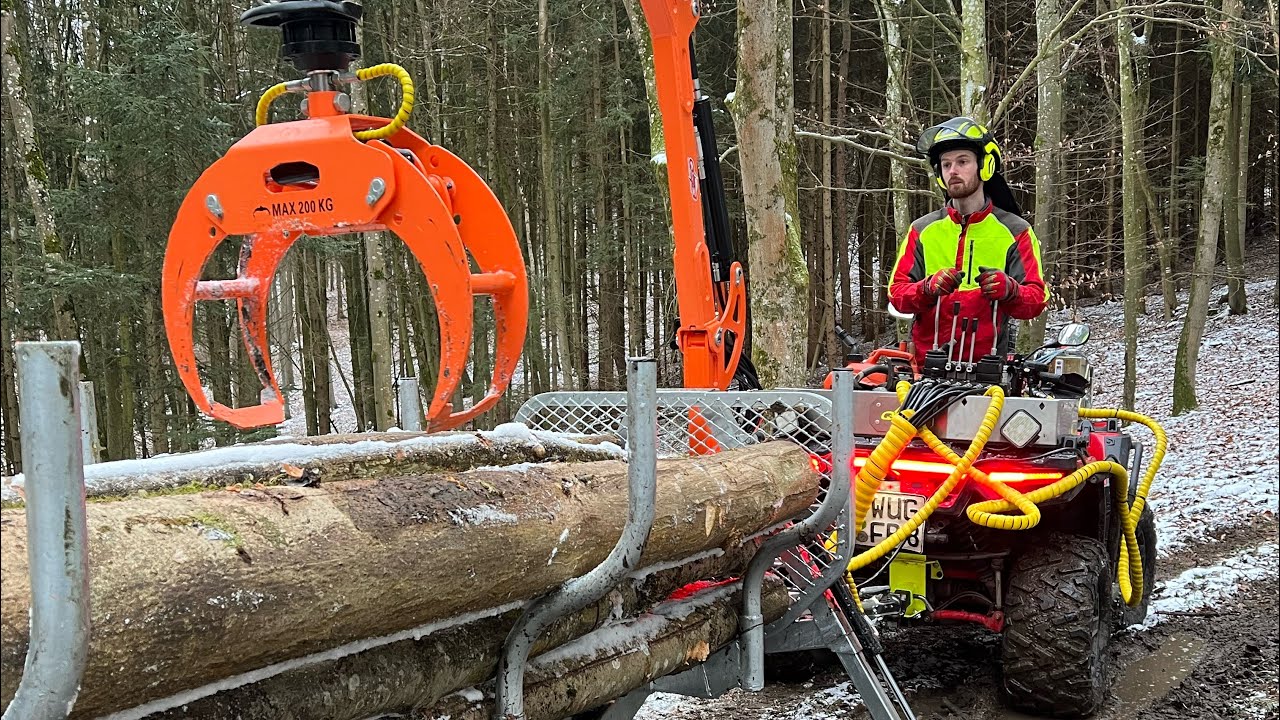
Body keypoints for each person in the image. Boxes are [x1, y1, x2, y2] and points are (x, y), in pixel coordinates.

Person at [888, 116, 1049, 367]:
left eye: (962, 162)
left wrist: (1010, 290)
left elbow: (1037, 299)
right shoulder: (921, 230)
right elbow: (897, 294)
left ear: (984, 166)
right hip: (925, 370)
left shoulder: (1016, 231)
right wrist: (927, 288)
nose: (953, 170)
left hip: (990, 372)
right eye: (946, 164)